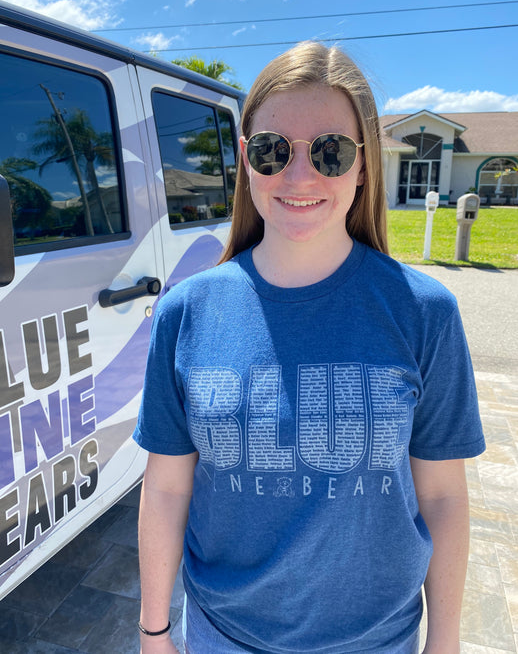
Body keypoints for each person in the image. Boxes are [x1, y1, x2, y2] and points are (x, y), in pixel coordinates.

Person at [133, 41, 485, 654]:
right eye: (273, 151)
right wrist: (154, 631)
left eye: (330, 151)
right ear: (246, 160)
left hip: (377, 641)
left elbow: (443, 495)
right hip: (222, 635)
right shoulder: (186, 312)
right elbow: (166, 488)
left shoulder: (424, 312)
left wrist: (446, 641)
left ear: (363, 165)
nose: (299, 177)